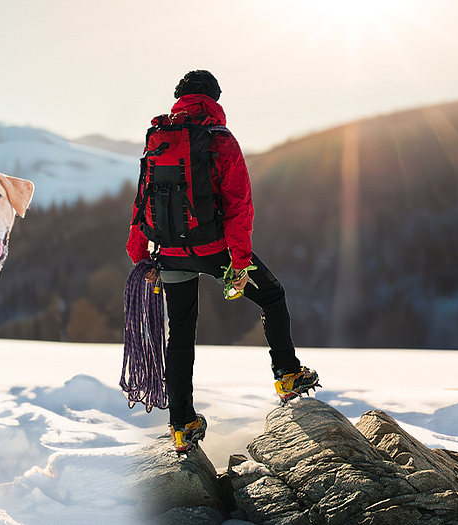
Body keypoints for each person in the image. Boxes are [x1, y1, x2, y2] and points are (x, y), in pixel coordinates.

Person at [126, 70, 320, 453]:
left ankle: (181, 424)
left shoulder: (158, 138)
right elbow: (239, 206)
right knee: (272, 297)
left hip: (168, 252)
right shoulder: (220, 141)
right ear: (214, 98)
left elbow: (142, 199)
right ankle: (287, 374)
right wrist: (240, 261)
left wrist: (139, 254)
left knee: (179, 335)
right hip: (214, 249)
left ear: (179, 98)